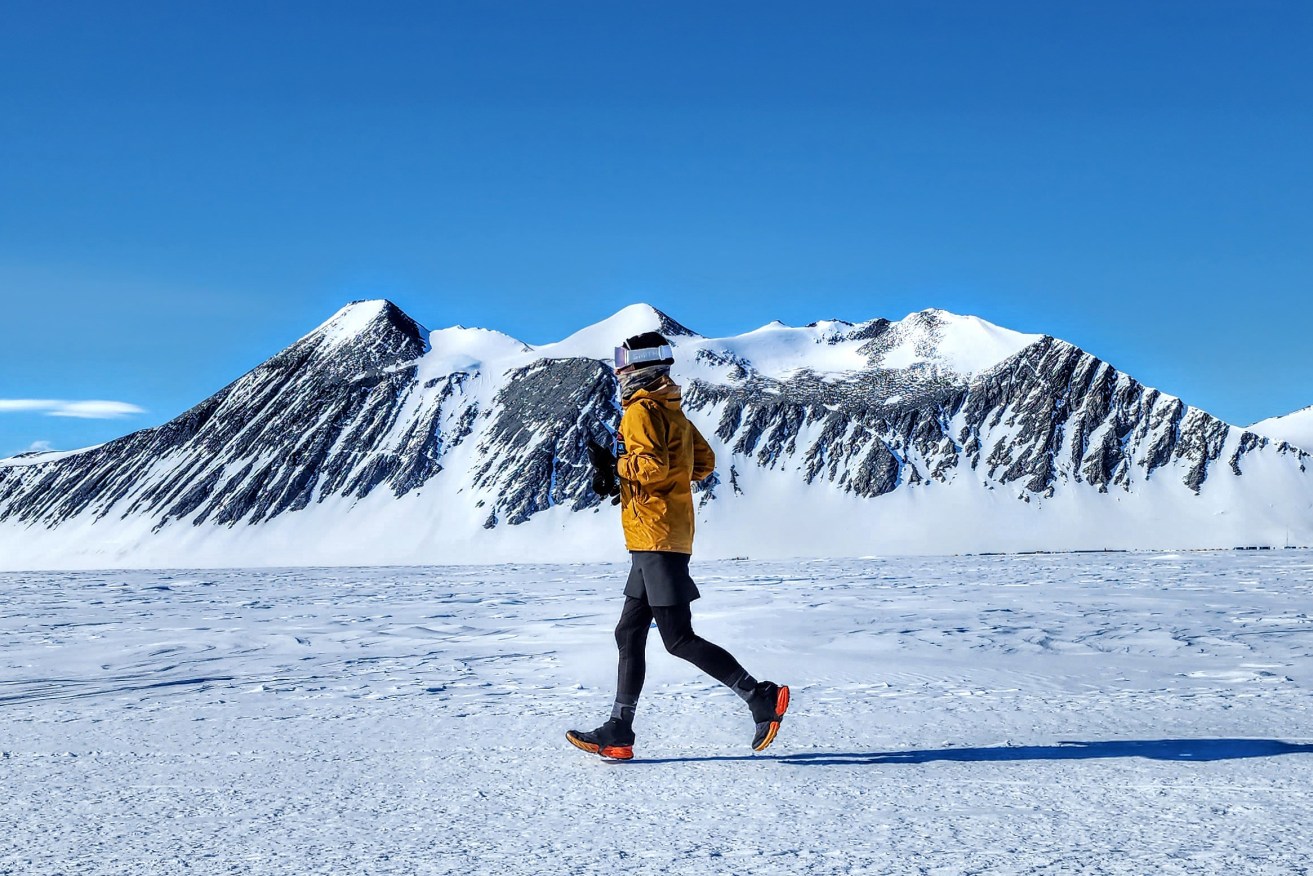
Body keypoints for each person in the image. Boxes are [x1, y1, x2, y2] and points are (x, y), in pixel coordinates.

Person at [566, 331, 790, 760]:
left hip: (654, 537)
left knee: (678, 638)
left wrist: (619, 466)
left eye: (622, 359)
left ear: (641, 365)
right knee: (628, 631)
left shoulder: (641, 410)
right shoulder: (674, 412)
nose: (617, 368)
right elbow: (702, 464)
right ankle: (618, 730)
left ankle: (758, 696)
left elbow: (651, 466)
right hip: (663, 533)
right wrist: (637, 479)